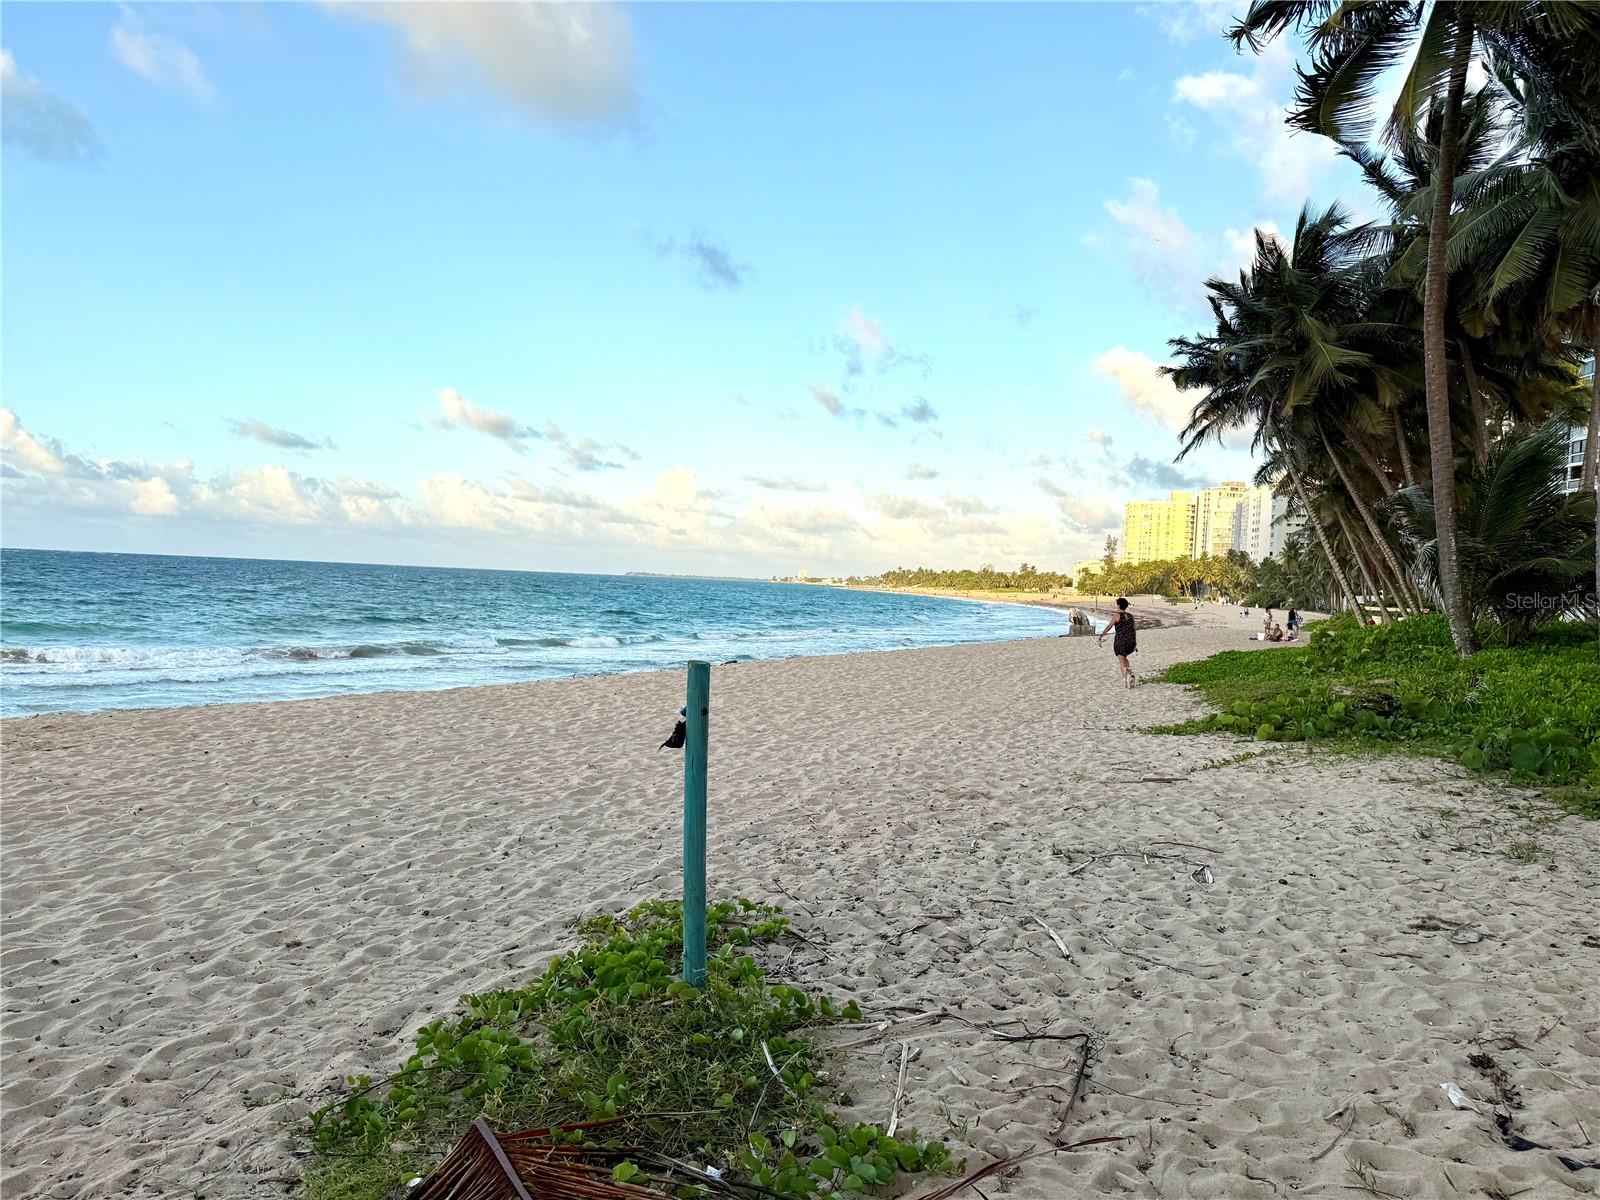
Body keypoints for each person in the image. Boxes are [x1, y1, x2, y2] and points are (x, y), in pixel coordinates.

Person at [1098, 596, 1138, 688]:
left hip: (1121, 641)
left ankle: (1126, 679)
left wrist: (1101, 635)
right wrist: (1134, 642)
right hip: (1131, 641)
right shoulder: (1130, 616)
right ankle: (1130, 674)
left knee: (1121, 659)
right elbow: (1134, 629)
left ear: (1119, 605)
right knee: (1124, 658)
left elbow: (1109, 627)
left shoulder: (1117, 615)